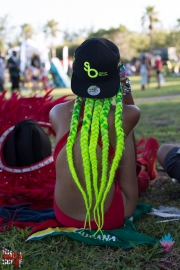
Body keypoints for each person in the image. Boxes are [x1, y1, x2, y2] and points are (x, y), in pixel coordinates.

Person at [50, 38, 159, 231]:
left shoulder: (57, 113)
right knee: (122, 128)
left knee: (111, 136)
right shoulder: (130, 114)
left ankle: (143, 167)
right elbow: (130, 107)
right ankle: (143, 167)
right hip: (107, 218)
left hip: (63, 215)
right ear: (117, 74)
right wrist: (125, 83)